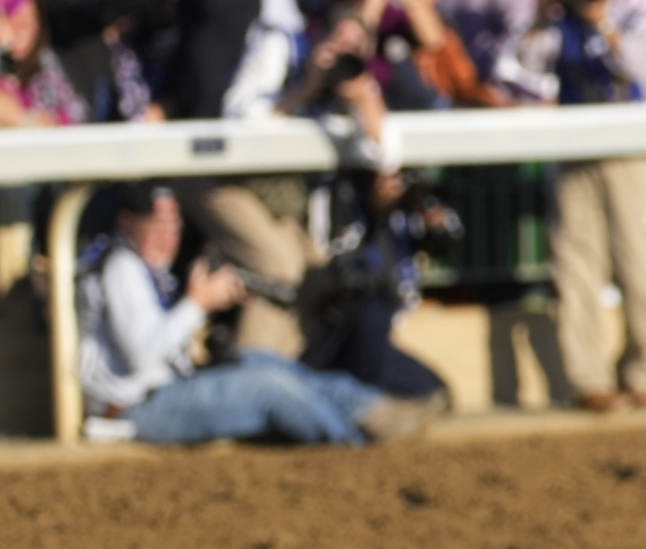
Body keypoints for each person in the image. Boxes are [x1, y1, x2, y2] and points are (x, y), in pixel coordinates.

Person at [77, 182, 435, 445]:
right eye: (156, 226)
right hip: (134, 408)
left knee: (265, 362)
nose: (167, 237)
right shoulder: (122, 267)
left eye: (172, 225)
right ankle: (352, 440)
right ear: (127, 223)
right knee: (269, 388)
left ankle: (373, 409)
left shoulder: (148, 268)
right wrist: (197, 303)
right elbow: (143, 357)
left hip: (170, 387)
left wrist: (211, 305)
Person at [525, 0, 646, 411]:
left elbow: (645, 69)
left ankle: (642, 371)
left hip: (631, 149)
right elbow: (523, 66)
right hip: (573, 152)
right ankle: (588, 379)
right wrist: (541, 8)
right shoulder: (558, 23)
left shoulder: (645, 10)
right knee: (576, 267)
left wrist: (604, 22)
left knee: (642, 266)